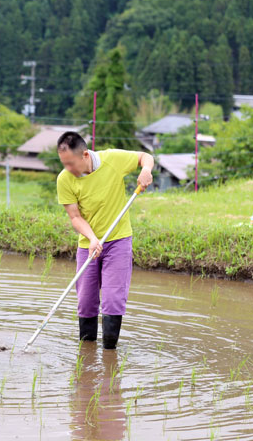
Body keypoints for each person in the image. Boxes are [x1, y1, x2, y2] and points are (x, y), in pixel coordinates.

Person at [56, 131, 153, 349]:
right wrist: (92, 238)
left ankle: (110, 354)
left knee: (112, 299)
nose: (68, 169)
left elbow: (144, 157)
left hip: (118, 240)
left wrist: (146, 170)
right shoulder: (64, 179)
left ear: (85, 155)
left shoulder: (112, 160)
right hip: (88, 244)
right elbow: (75, 217)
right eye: (64, 164)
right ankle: (87, 354)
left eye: (71, 163)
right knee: (86, 301)